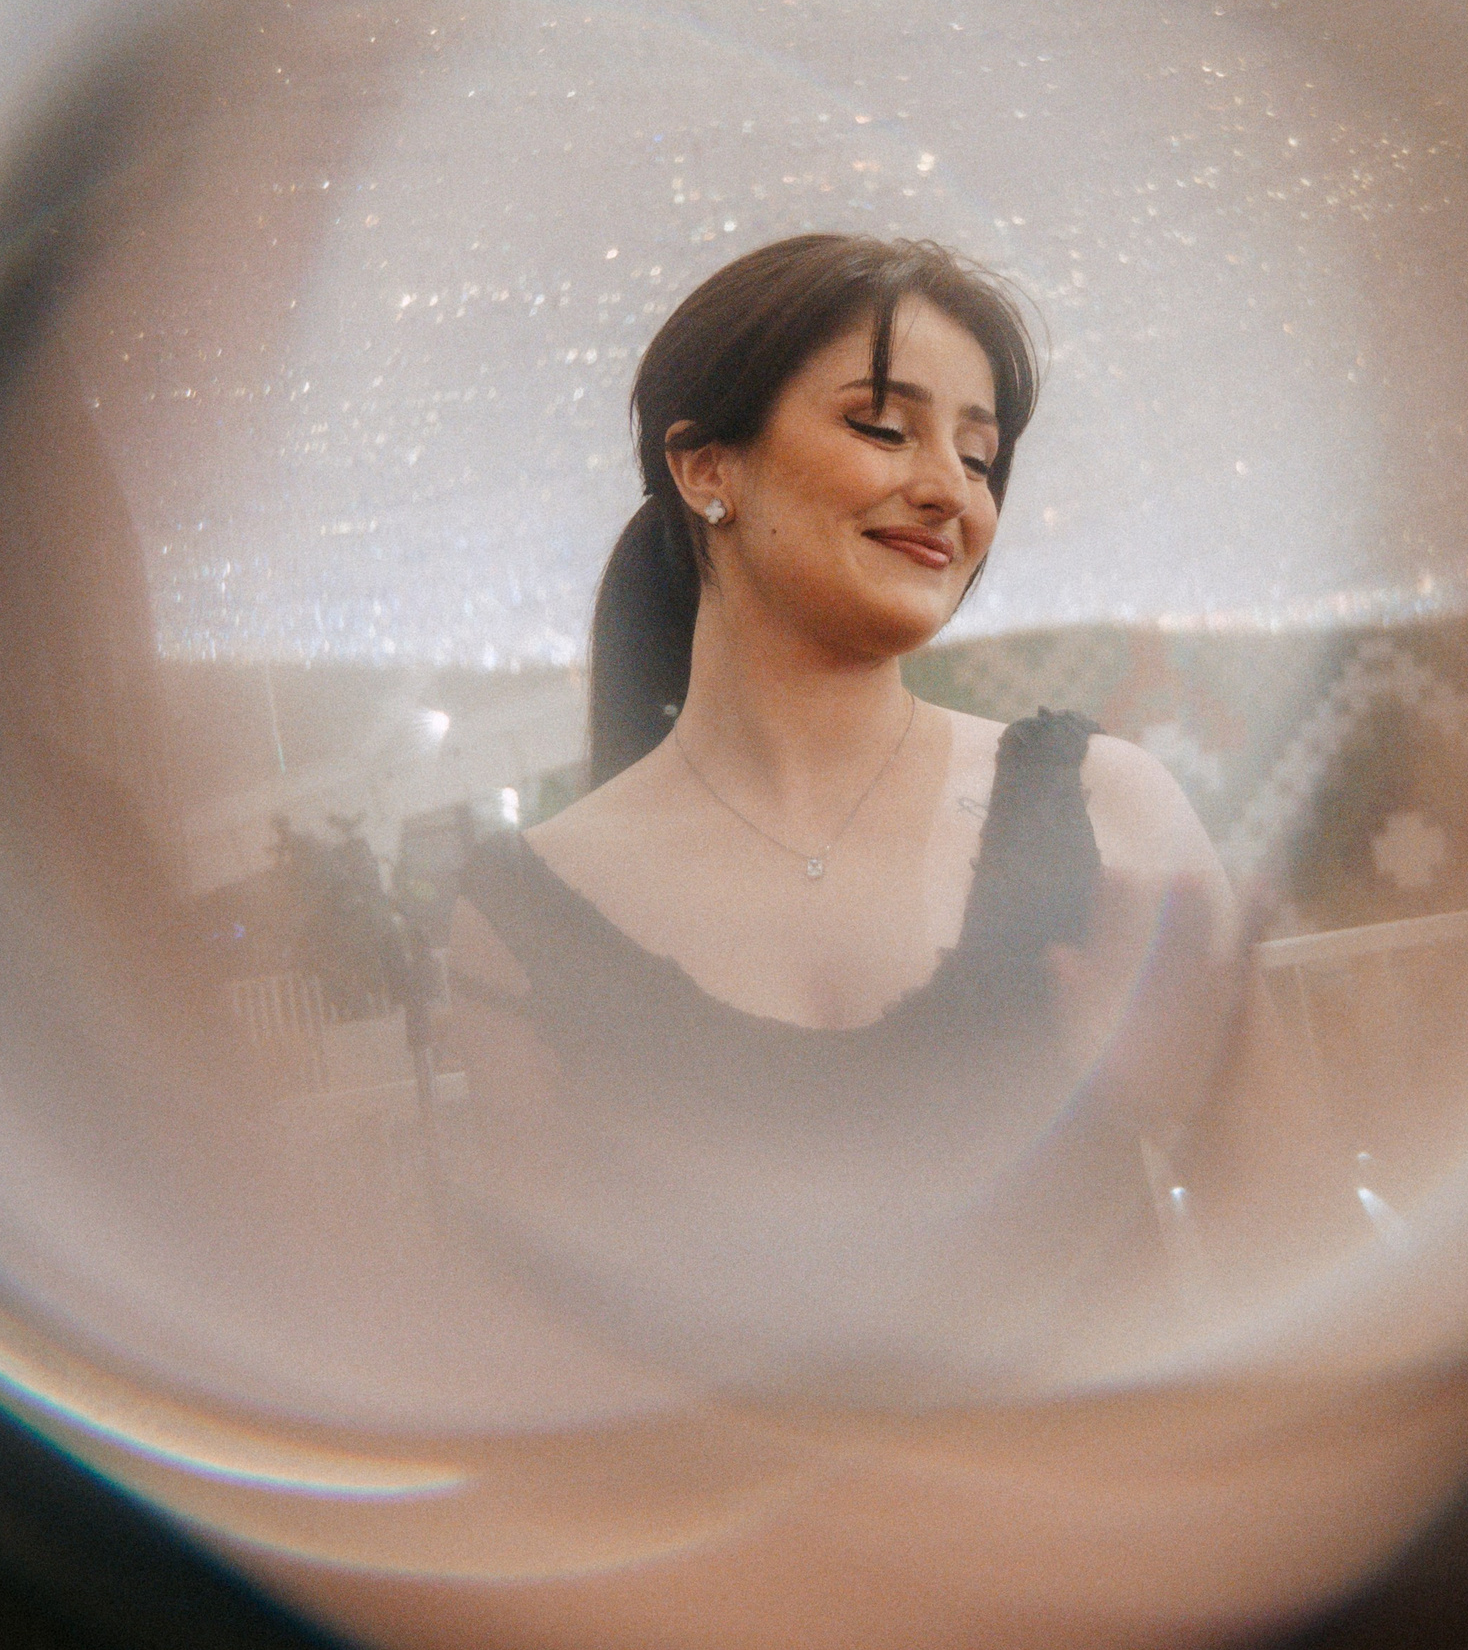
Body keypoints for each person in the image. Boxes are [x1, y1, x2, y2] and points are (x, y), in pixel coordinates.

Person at [447, 233, 1238, 1393]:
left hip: (1112, 1493)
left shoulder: (1108, 811)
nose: (950, 490)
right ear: (705, 468)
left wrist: (1176, 1112)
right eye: (882, 427)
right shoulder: (527, 913)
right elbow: (554, 1359)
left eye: (980, 456)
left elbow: (1299, 1241)